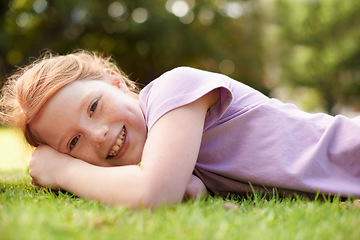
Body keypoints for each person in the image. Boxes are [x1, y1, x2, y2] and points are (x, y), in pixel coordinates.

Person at [0, 51, 359, 209]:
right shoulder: (171, 155)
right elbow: (180, 186)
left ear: (115, 83)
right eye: (73, 142)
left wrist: (60, 169)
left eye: (93, 106)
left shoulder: (173, 89)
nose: (98, 135)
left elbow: (153, 194)